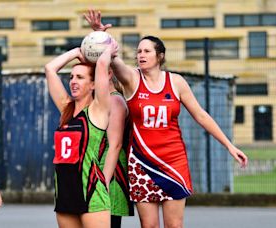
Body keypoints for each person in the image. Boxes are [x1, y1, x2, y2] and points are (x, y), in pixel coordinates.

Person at [85, 9, 248, 228]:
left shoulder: (177, 82)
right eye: (138, 51)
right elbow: (113, 61)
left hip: (174, 161)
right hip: (142, 163)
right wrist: (101, 37)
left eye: (146, 51)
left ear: (159, 56)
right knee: (149, 226)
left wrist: (229, 145)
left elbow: (200, 115)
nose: (140, 55)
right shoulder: (132, 79)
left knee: (174, 225)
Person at [45, 39, 117, 227]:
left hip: (91, 193)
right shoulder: (66, 109)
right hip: (65, 194)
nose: (74, 82)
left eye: (80, 77)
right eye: (71, 77)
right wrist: (77, 52)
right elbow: (50, 69)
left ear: (93, 84)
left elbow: (102, 64)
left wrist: (107, 47)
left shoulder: (98, 110)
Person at [99, 76, 134, 228]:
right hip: (100, 167)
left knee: (108, 222)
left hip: (111, 171)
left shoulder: (115, 101)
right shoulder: (103, 101)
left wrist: (103, 182)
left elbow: (115, 145)